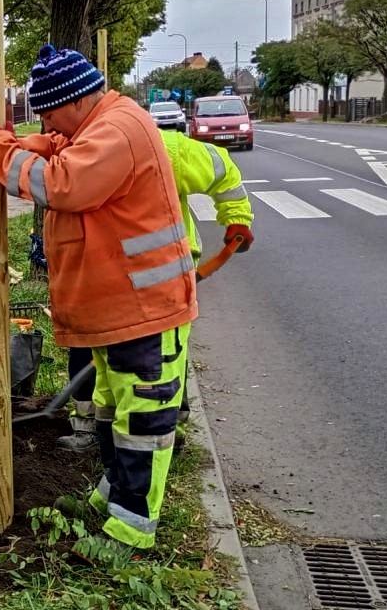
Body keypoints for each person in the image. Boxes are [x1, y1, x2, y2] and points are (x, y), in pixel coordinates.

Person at [0, 45, 196, 550]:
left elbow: (59, 182)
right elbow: (34, 150)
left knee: (143, 420)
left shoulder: (119, 130)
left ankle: (130, 533)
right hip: (119, 307)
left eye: (46, 110)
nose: (45, 122)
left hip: (146, 309)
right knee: (113, 411)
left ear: (72, 100)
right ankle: (113, 498)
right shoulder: (88, 128)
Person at [56, 123, 255, 450]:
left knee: (162, 355)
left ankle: (167, 425)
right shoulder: (76, 149)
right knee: (102, 352)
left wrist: (237, 217)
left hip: (166, 273)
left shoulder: (164, 147)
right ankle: (97, 429)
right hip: (110, 275)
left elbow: (221, 168)